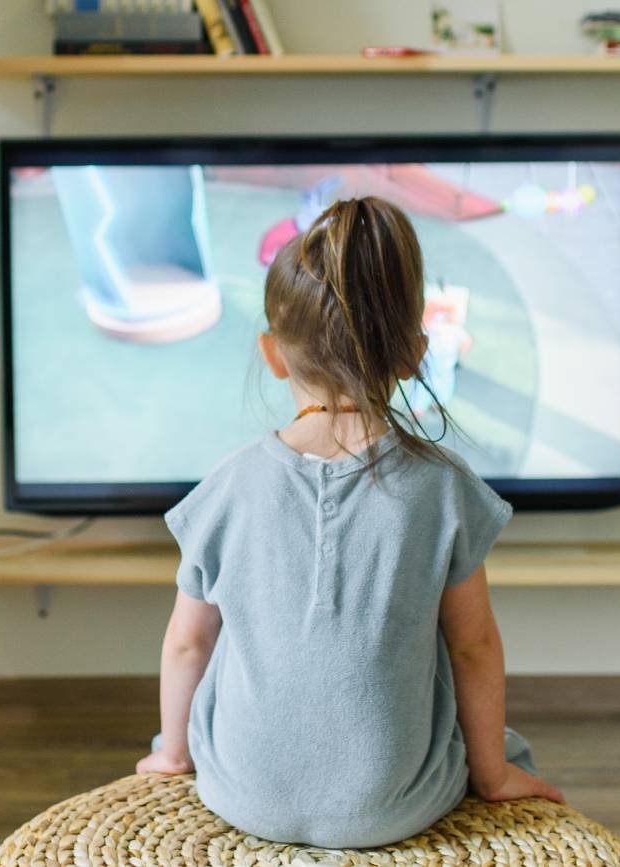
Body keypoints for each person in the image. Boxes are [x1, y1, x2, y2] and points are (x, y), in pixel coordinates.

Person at [136, 196, 563, 849]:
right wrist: (494, 774)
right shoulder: (442, 489)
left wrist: (171, 757)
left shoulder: (225, 487)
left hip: (241, 790)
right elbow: (473, 647)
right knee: (496, 735)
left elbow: (187, 644)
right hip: (392, 806)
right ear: (414, 353)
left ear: (274, 354)